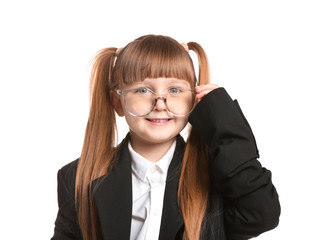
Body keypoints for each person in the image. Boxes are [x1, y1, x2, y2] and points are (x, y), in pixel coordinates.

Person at [51, 34, 280, 240]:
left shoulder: (216, 177)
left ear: (193, 99)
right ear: (118, 102)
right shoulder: (78, 177)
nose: (160, 104)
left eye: (175, 90)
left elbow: (262, 214)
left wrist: (223, 117)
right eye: (143, 90)